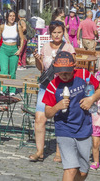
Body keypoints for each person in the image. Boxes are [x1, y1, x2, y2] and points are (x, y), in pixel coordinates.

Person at [43, 51, 100, 181]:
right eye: (60, 72)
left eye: (67, 72)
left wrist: (91, 99)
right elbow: (47, 113)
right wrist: (57, 106)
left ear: (74, 66)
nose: (64, 75)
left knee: (83, 172)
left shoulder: (83, 75)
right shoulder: (53, 85)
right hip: (64, 129)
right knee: (71, 169)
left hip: (84, 128)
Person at [31, 21, 75, 163]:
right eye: (54, 32)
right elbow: (42, 69)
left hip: (62, 87)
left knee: (61, 119)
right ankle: (40, 151)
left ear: (63, 32)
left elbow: (74, 65)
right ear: (50, 33)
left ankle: (59, 151)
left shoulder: (68, 47)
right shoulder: (45, 47)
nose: (56, 35)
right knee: (40, 118)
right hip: (46, 86)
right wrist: (38, 60)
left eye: (59, 32)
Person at [0, 10, 26, 94]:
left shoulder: (18, 26)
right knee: (3, 70)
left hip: (14, 50)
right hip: (4, 49)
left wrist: (20, 50)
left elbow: (22, 39)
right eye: (10, 16)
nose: (12, 18)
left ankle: (12, 89)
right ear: (7, 17)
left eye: (13, 16)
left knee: (12, 71)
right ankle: (2, 89)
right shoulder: (2, 26)